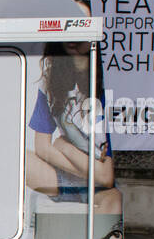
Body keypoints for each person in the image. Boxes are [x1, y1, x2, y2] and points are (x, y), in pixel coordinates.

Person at [25, 32, 122, 214]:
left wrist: (64, 146)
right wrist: (92, 172)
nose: (75, 35)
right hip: (66, 175)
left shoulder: (106, 85)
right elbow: (42, 148)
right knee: (18, 159)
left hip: (98, 187)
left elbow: (106, 177)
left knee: (114, 199)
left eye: (83, 27)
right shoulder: (50, 82)